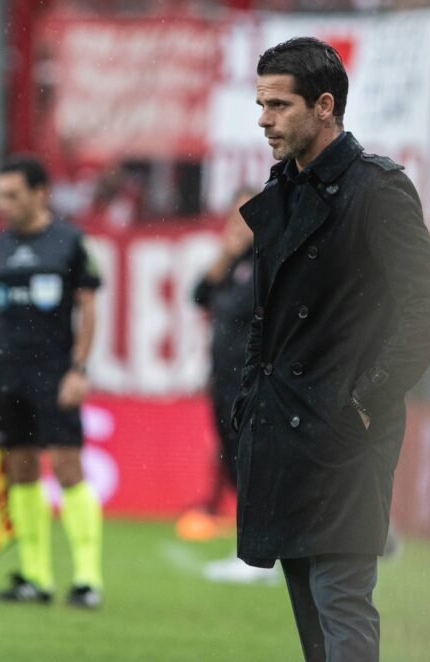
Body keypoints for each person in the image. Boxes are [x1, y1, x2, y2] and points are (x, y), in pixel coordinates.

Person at [231, 38, 430, 661]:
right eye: (260, 103)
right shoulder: (284, 189)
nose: (263, 119)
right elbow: (265, 321)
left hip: (344, 433)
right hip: (284, 424)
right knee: (312, 615)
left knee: (340, 601)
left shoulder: (377, 189)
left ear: (324, 105)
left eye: (278, 105)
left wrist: (364, 399)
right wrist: (250, 399)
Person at [0, 155, 104, 609]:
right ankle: (36, 576)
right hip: (7, 379)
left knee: (68, 468)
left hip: (54, 376)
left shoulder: (69, 242)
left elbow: (88, 308)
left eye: (13, 195)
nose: (4, 204)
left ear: (40, 193)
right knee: (20, 469)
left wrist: (79, 369)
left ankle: (87, 579)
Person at [192, 187, 277, 584]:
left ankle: (257, 556)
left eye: (246, 213)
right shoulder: (237, 260)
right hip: (223, 377)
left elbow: (232, 307)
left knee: (252, 464)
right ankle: (256, 551)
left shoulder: (271, 258)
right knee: (234, 463)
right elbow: (200, 294)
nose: (239, 221)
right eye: (234, 214)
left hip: (253, 377)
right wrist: (227, 252)